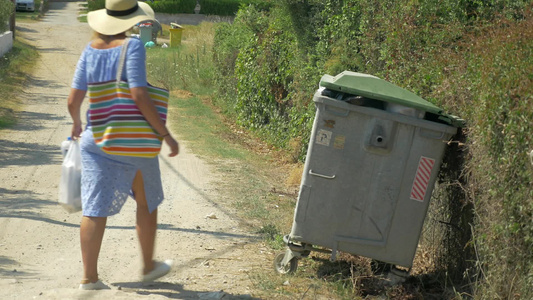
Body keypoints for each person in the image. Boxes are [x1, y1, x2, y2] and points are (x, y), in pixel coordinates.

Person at [67, 0, 179, 290]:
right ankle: (147, 266)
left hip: (96, 141)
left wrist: (77, 124)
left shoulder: (89, 49)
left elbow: (73, 100)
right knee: (146, 202)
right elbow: (139, 94)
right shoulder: (132, 47)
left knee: (94, 208)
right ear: (132, 19)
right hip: (133, 143)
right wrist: (165, 134)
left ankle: (89, 279)